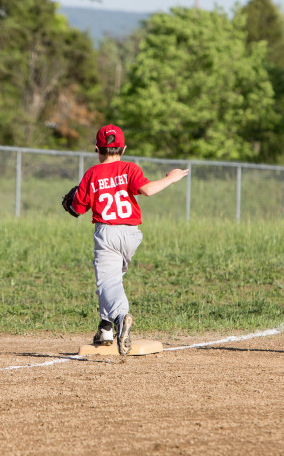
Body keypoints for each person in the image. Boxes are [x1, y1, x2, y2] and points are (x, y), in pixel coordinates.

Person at [62, 124, 190, 355]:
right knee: (112, 278)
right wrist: (170, 179)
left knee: (107, 281)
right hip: (131, 233)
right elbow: (148, 190)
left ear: (97, 150)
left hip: (108, 232)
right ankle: (106, 328)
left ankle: (120, 317)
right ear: (123, 149)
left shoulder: (92, 173)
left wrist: (70, 204)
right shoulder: (130, 168)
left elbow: (77, 209)